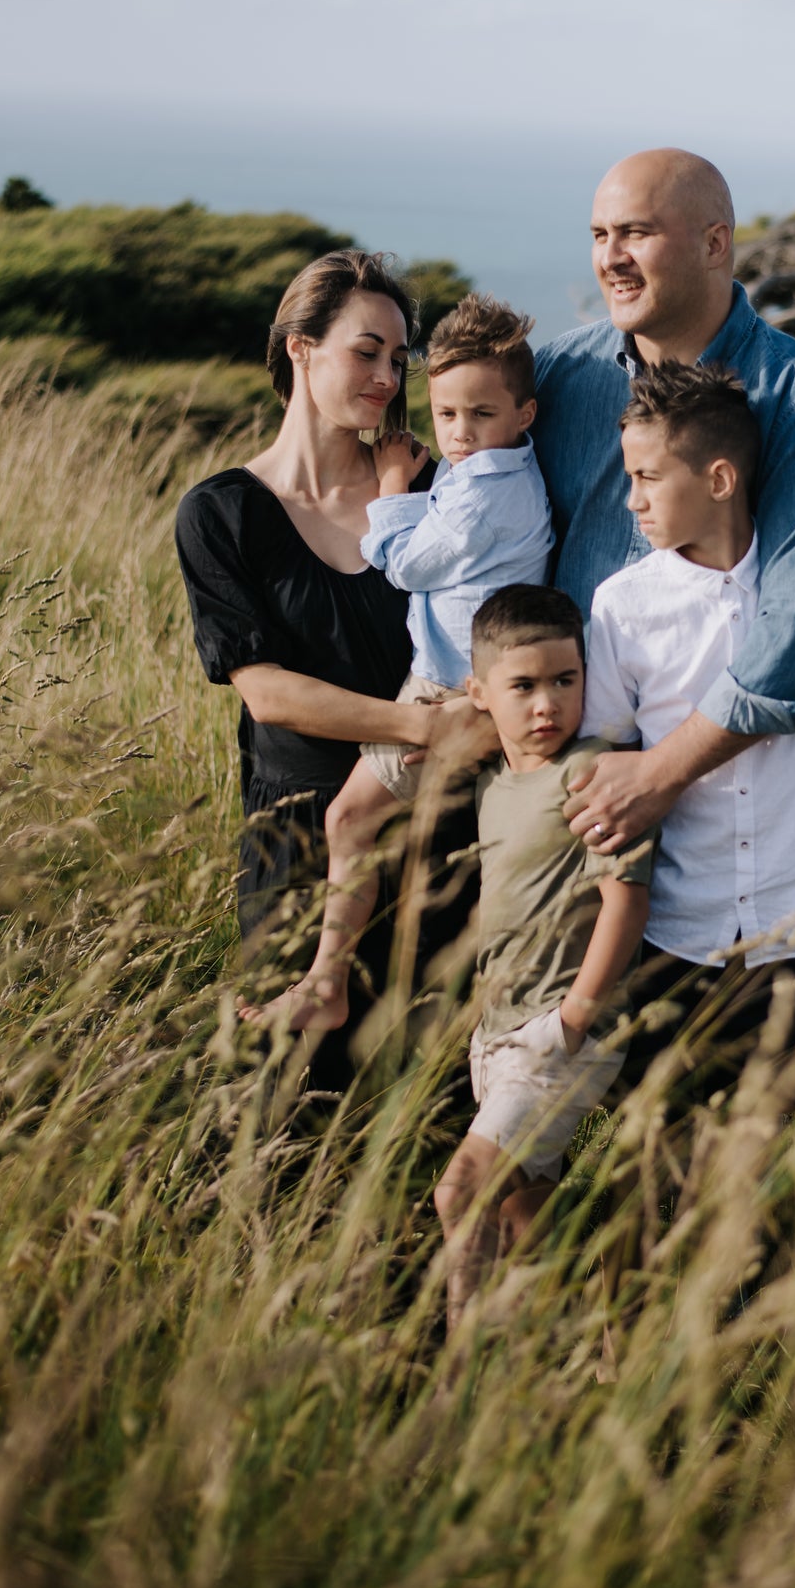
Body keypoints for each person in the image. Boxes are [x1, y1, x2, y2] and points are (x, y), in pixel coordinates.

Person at [525, 148, 795, 866]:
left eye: (634, 232)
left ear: (714, 243)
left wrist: (658, 773)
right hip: (574, 791)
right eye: (596, 235)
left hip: (741, 801)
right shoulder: (558, 378)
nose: (609, 257)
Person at [174, 248, 491, 1080]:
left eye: (398, 357)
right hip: (299, 844)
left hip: (441, 831)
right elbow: (267, 691)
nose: (389, 377)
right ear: (299, 347)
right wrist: (421, 725)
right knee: (292, 1101)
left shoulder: (424, 488)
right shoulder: (221, 514)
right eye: (366, 350)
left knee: (429, 1101)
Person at [247, 294, 553, 1037]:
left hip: (452, 688)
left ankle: (326, 983)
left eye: (479, 415)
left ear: (524, 415)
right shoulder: (479, 476)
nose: (457, 433)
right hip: (457, 686)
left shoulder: (476, 491)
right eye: (446, 414)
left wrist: (390, 490)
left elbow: (408, 566)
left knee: (350, 818)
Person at [582, 362, 795, 1105]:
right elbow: (604, 763)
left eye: (649, 477)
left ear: (719, 480)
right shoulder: (622, 606)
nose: (633, 500)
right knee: (669, 1159)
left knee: (777, 1161)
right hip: (673, 938)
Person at [433, 585, 656, 1335]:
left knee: (460, 1191)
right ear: (479, 693)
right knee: (522, 1215)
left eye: (565, 681)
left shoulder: (590, 774)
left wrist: (575, 1017)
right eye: (522, 686)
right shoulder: (495, 786)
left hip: (557, 1036)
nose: (546, 705)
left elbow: (625, 898)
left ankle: (459, 1379)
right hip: (496, 1033)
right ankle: (589, 1349)